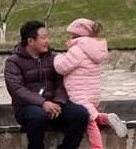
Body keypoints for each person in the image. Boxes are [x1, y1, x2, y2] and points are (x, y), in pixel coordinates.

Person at [5, 20, 89, 149]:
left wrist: (58, 103)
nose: (47, 41)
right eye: (43, 38)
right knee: (37, 116)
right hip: (27, 108)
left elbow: (61, 83)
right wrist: (43, 103)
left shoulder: (52, 58)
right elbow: (16, 89)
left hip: (54, 106)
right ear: (30, 41)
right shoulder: (13, 62)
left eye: (47, 37)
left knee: (81, 114)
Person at [54, 18, 127, 148]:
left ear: (76, 35)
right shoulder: (95, 49)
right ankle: (106, 118)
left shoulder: (78, 50)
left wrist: (58, 57)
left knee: (90, 123)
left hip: (79, 93)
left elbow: (61, 67)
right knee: (91, 114)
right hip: (92, 93)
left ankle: (97, 147)